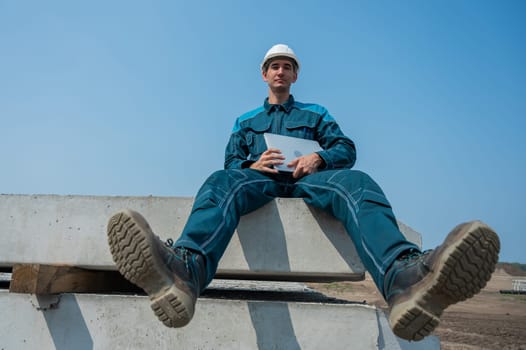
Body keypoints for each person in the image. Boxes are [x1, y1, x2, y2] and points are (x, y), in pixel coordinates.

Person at [106, 44, 500, 341]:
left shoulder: (316, 113)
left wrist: (319, 159)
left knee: (359, 183)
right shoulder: (246, 120)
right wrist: (250, 165)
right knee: (219, 182)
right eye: (275, 66)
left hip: (309, 180)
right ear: (264, 74)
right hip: (263, 180)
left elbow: (346, 148)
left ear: (295, 76)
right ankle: (184, 270)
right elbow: (230, 161)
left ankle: (403, 279)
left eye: (288, 67)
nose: (281, 71)